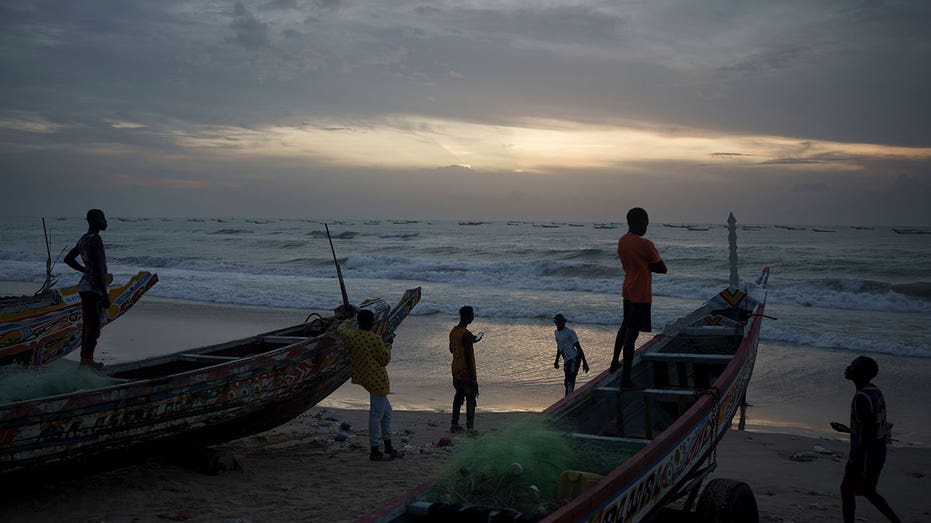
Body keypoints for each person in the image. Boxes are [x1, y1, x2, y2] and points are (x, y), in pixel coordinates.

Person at [830, 356, 901, 523]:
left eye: (853, 366)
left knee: (848, 490)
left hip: (865, 455)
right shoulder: (875, 391)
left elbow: (867, 436)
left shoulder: (861, 398)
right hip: (877, 452)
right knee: (868, 491)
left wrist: (855, 461)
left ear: (861, 374)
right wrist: (849, 429)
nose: (848, 368)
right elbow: (874, 426)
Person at [609, 207, 667, 388]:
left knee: (625, 326)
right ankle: (626, 379)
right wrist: (648, 265)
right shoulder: (646, 244)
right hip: (641, 291)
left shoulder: (622, 241)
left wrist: (645, 264)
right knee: (631, 334)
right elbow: (662, 268)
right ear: (640, 223)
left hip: (627, 287)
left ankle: (614, 362)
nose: (647, 226)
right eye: (646, 223)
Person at [339, 308, 399, 461]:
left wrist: (348, 319)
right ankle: (374, 450)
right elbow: (385, 359)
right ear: (372, 323)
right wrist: (389, 344)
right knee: (376, 415)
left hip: (365, 378)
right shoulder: (374, 339)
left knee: (387, 413)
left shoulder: (351, 336)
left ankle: (388, 446)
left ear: (358, 322)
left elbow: (340, 330)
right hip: (378, 380)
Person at [64, 209, 111, 369]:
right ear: (96, 220)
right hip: (93, 288)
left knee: (90, 324)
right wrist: (105, 294)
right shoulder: (95, 239)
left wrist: (85, 270)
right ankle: (86, 360)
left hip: (86, 286)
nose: (106, 221)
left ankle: (86, 359)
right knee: (93, 325)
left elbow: (68, 259)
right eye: (103, 219)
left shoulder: (84, 239)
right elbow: (98, 268)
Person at [449, 305, 481, 433]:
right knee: (471, 399)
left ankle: (454, 425)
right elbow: (468, 357)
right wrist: (473, 378)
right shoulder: (466, 334)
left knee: (458, 397)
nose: (473, 317)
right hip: (466, 372)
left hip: (456, 370)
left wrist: (471, 340)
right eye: (472, 314)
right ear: (468, 317)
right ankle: (470, 428)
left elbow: (451, 349)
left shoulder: (453, 332)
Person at [552, 314, 589, 396]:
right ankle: (569, 397)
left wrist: (585, 362)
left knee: (569, 381)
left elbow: (578, 347)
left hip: (574, 359)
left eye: (563, 322)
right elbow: (559, 347)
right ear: (556, 323)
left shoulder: (570, 332)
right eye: (560, 322)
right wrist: (556, 360)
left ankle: (568, 399)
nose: (562, 324)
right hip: (566, 360)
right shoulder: (556, 333)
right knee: (567, 381)